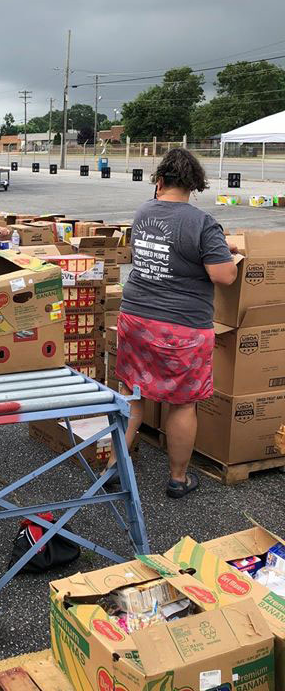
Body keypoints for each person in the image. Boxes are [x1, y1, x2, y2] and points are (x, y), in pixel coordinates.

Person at [111, 148, 238, 499]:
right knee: (182, 402)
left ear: (160, 181)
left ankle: (114, 468)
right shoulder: (201, 222)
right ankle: (178, 479)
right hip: (179, 327)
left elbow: (162, 250)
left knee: (131, 393)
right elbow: (223, 275)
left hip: (135, 317)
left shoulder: (143, 213)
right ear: (194, 185)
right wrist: (233, 256)